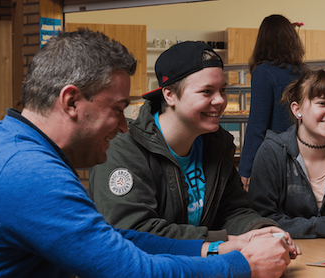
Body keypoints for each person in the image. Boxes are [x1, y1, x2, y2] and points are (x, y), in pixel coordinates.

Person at [0, 28, 290, 277]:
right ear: (71, 102)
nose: (124, 127)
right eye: (116, 109)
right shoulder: (27, 172)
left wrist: (215, 247)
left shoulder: (18, 150)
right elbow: (129, 271)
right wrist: (242, 266)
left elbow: (113, 239)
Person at [89, 40, 300, 258]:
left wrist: (259, 231)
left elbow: (234, 210)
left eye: (223, 90)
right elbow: (135, 232)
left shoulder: (217, 145)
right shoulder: (123, 151)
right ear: (169, 95)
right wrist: (223, 242)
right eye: (206, 91)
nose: (220, 100)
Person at [248, 69, 325, 239]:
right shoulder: (273, 152)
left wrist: (300, 226)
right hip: (288, 254)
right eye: (322, 103)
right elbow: (261, 221)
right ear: (297, 109)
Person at [239, 14, 308, 188]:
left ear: (262, 41)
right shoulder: (305, 72)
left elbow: (257, 125)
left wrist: (245, 170)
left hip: (274, 159)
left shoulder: (264, 72)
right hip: (305, 156)